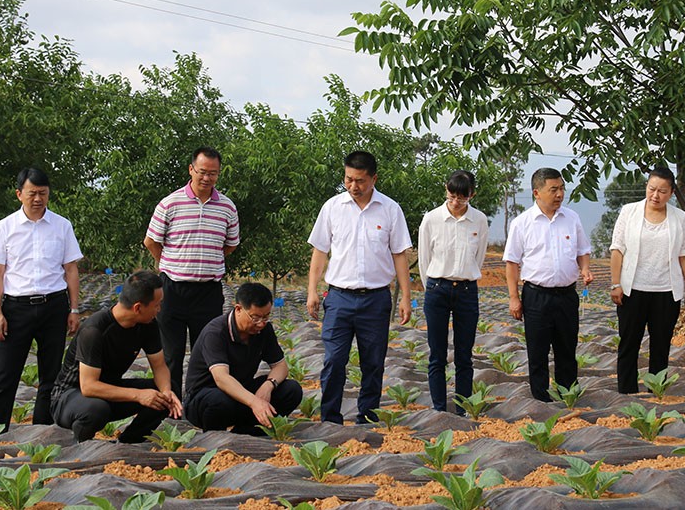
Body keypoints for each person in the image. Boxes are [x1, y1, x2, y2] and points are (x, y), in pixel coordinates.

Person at [306, 151, 413, 425]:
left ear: (374, 179)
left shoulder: (390, 209)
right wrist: (312, 290)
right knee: (334, 360)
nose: (353, 186)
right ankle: (330, 419)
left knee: (373, 362)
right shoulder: (332, 207)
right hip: (339, 297)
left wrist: (406, 296)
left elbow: (400, 254)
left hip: (376, 299)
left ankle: (367, 417)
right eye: (348, 179)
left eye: (360, 181)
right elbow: (320, 251)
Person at [0, 167, 82, 431]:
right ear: (19, 194)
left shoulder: (62, 226)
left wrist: (74, 309)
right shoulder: (4, 228)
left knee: (52, 375)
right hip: (16, 308)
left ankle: (44, 430)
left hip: (54, 306)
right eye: (32, 193)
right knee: (4, 375)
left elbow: (71, 269)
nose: (38, 199)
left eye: (43, 193)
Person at [144, 146, 240, 398]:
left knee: (207, 352)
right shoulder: (170, 203)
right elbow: (151, 241)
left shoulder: (227, 207)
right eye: (202, 172)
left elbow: (231, 245)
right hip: (172, 289)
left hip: (208, 291)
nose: (207, 178)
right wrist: (167, 262)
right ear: (191, 169)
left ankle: (200, 403)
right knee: (171, 354)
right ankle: (171, 404)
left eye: (213, 173)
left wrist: (208, 259)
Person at [50, 270, 182, 443]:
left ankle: (128, 443)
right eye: (156, 305)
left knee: (167, 393)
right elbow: (88, 386)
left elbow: (159, 366)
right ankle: (80, 447)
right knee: (96, 409)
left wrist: (166, 391)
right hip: (70, 397)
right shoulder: (94, 330)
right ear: (137, 308)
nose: (159, 309)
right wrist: (138, 395)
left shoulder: (148, 325)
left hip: (108, 391)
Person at [504, 167, 593, 402]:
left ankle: (568, 395)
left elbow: (583, 251)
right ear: (537, 192)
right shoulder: (522, 223)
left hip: (567, 295)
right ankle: (541, 400)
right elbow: (512, 263)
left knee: (567, 349)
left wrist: (585, 269)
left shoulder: (572, 218)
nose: (559, 194)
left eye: (562, 188)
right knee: (538, 351)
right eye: (553, 189)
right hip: (536, 296)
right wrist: (514, 298)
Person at [609, 167, 685, 394]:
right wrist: (615, 284)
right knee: (629, 342)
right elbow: (617, 249)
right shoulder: (629, 212)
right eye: (651, 189)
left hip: (666, 291)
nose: (655, 195)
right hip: (632, 289)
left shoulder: (679, 217)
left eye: (662, 191)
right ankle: (627, 391)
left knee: (661, 344)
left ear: (672, 193)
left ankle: (656, 390)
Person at [183, 282, 302, 435]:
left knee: (291, 390)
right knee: (219, 400)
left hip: (241, 394)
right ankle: (215, 438)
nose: (261, 323)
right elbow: (221, 378)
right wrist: (254, 402)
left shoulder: (264, 330)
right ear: (238, 309)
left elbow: (281, 367)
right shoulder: (216, 332)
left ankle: (246, 433)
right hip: (205, 399)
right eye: (255, 317)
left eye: (266, 316)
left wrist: (268, 386)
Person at [417, 170, 488, 414]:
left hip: (467, 290)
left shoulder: (479, 220)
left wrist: (465, 275)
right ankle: (439, 409)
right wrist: (432, 286)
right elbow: (424, 259)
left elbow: (479, 257)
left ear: (471, 195)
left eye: (461, 197)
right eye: (451, 196)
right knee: (437, 354)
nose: (455, 202)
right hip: (437, 288)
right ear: (446, 190)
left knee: (464, 355)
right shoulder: (431, 219)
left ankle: (462, 409)